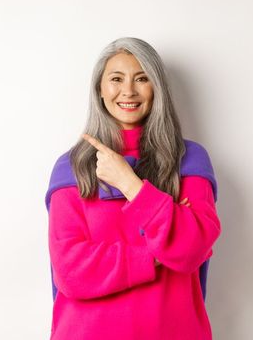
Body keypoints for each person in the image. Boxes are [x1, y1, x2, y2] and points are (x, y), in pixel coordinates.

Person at [45, 37, 221, 339]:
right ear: (100, 89)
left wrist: (129, 183)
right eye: (116, 79)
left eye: (142, 78)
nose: (128, 90)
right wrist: (156, 253)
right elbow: (71, 270)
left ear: (158, 89)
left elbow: (192, 248)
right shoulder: (71, 167)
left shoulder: (189, 160)